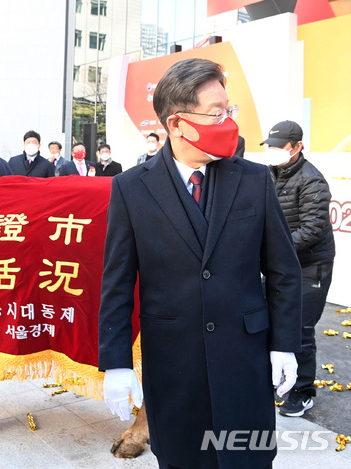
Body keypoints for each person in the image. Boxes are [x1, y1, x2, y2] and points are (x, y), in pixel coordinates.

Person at [98, 58, 302, 469]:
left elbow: (283, 271)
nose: (228, 120)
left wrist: (284, 345)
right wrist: (116, 362)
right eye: (217, 113)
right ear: (177, 123)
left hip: (245, 361)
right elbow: (117, 283)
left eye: (230, 110)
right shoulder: (131, 189)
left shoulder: (253, 180)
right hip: (174, 368)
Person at [262, 120, 335, 418]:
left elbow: (312, 229)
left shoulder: (312, 181)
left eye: (280, 147)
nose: (274, 152)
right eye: (271, 146)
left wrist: (272, 248)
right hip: (282, 262)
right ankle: (278, 379)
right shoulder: (270, 174)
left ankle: (303, 391)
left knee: (301, 327)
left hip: (311, 264)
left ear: (298, 147)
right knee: (271, 319)